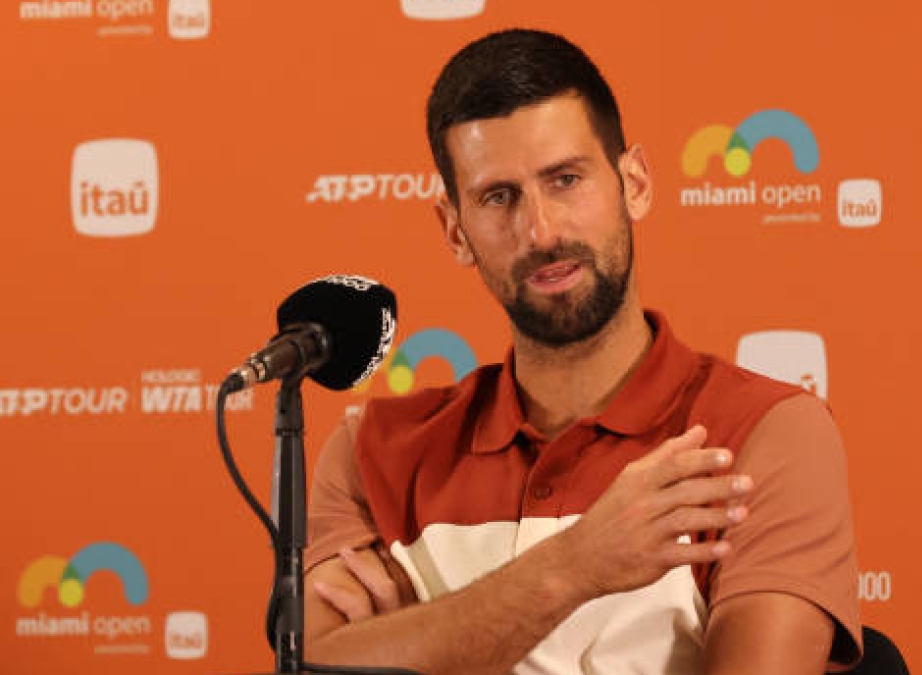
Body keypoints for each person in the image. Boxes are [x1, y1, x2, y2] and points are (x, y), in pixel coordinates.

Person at [303, 28, 861, 675]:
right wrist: (575, 566)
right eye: (499, 197)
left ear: (636, 183)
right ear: (456, 231)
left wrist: (426, 638)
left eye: (565, 179)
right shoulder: (371, 451)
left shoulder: (770, 432)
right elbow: (318, 663)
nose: (541, 231)